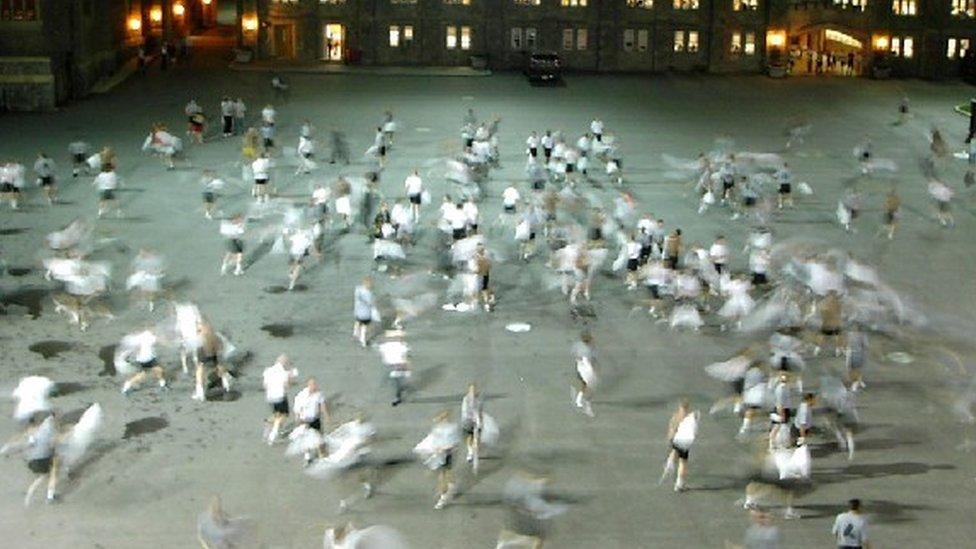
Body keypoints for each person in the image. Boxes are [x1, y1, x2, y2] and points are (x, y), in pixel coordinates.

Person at [413, 411, 461, 509]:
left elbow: (454, 444)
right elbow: (432, 440)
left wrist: (443, 449)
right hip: (439, 455)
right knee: (444, 475)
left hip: (447, 455)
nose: (441, 419)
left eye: (444, 417)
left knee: (443, 476)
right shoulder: (437, 428)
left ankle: (443, 497)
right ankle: (450, 487)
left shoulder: (452, 429)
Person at [293, 377, 330, 463]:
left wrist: (327, 416)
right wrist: (298, 420)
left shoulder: (319, 394)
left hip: (315, 419)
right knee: (306, 439)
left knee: (320, 438)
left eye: (315, 384)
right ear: (308, 385)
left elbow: (322, 406)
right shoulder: (301, 396)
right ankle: (307, 457)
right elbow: (297, 409)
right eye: (313, 384)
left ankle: (322, 457)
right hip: (304, 421)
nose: (315, 386)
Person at [262, 355, 298, 445]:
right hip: (280, 397)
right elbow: (287, 385)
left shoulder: (268, 370)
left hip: (270, 397)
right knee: (283, 415)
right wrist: (292, 378)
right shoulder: (284, 373)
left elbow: (264, 385)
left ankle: (269, 426)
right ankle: (273, 435)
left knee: (276, 414)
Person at [378, 329, 411, 406]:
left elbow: (384, 356)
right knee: (399, 381)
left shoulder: (385, 346)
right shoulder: (402, 346)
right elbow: (405, 358)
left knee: (397, 381)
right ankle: (398, 395)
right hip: (400, 365)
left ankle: (398, 396)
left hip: (395, 365)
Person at [460, 383, 484, 472]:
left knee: (477, 439)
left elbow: (480, 411)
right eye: (471, 390)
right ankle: (470, 451)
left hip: (476, 422)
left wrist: (480, 421)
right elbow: (465, 412)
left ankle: (476, 452)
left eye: (475, 390)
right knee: (469, 438)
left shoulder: (479, 401)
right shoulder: (466, 400)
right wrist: (473, 418)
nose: (473, 392)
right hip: (467, 422)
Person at [353, 277, 375, 347]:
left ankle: (356, 333)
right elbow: (370, 302)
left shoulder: (358, 289)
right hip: (365, 312)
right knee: (364, 327)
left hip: (360, 311)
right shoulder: (368, 293)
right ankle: (362, 340)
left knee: (359, 322)